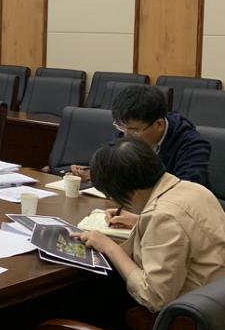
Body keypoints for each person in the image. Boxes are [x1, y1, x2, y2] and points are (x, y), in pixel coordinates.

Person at [76, 137, 225, 313]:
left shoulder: (163, 217)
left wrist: (109, 247)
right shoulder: (194, 189)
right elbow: (187, 230)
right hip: (215, 300)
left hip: (191, 317)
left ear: (124, 189)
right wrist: (139, 221)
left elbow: (154, 298)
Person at [68, 84, 211, 230]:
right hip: (133, 208)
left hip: (178, 222)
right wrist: (95, 173)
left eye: (134, 130)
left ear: (159, 124)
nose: (125, 135)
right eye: (121, 126)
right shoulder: (127, 131)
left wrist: (142, 220)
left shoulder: (192, 145)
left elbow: (186, 194)